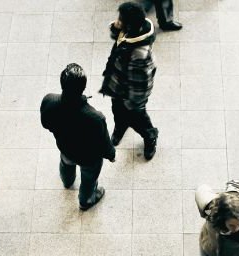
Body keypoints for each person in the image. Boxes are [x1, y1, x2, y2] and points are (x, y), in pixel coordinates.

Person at [41, 64, 116, 211]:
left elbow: (46, 123)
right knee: (89, 179)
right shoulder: (95, 118)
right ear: (83, 87)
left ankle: (67, 181)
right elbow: (104, 143)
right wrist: (111, 154)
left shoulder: (49, 101)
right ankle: (86, 200)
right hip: (88, 158)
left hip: (65, 149)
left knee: (66, 163)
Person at [100, 2, 159, 161]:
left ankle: (150, 137)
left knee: (138, 119)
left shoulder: (140, 54)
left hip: (131, 97)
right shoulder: (130, 32)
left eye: (121, 19)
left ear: (130, 26)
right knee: (117, 111)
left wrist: (133, 104)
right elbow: (118, 37)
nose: (117, 21)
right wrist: (117, 27)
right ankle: (120, 126)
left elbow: (141, 85)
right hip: (118, 85)